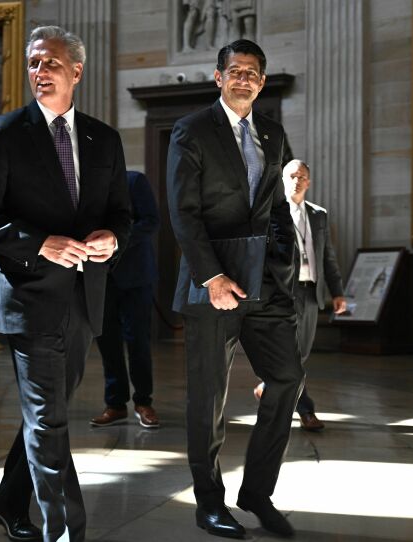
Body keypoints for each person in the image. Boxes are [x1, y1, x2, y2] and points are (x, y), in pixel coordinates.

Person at [0, 25, 131, 542]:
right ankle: (66, 535)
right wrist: (40, 243)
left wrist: (111, 239)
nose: (39, 72)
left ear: (76, 71)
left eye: (50, 63)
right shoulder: (2, 132)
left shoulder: (106, 138)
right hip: (29, 300)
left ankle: (10, 501)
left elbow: (124, 214)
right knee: (50, 423)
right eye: (33, 63)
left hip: (84, 301)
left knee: (46, 417)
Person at [166, 39, 300, 539]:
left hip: (264, 283)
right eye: (235, 71)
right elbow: (183, 212)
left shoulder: (273, 132)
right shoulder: (191, 131)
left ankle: (258, 493)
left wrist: (283, 263)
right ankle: (209, 502)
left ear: (262, 83)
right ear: (218, 77)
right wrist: (212, 275)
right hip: (212, 284)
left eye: (253, 72)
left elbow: (279, 208)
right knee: (208, 400)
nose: (244, 78)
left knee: (286, 378)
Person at [254, 159, 347, 432]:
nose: (297, 180)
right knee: (291, 354)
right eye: (292, 175)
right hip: (284, 292)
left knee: (302, 353)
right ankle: (306, 411)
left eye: (302, 176)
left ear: (309, 181)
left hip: (311, 292)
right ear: (283, 180)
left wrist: (337, 292)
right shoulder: (272, 214)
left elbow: (327, 256)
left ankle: (268, 386)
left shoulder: (319, 215)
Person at [91, 170, 161, 428]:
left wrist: (115, 241)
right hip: (99, 277)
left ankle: (144, 401)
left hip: (135, 277)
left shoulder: (134, 180)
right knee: (107, 342)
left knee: (138, 341)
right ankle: (115, 404)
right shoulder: (85, 184)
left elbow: (151, 222)